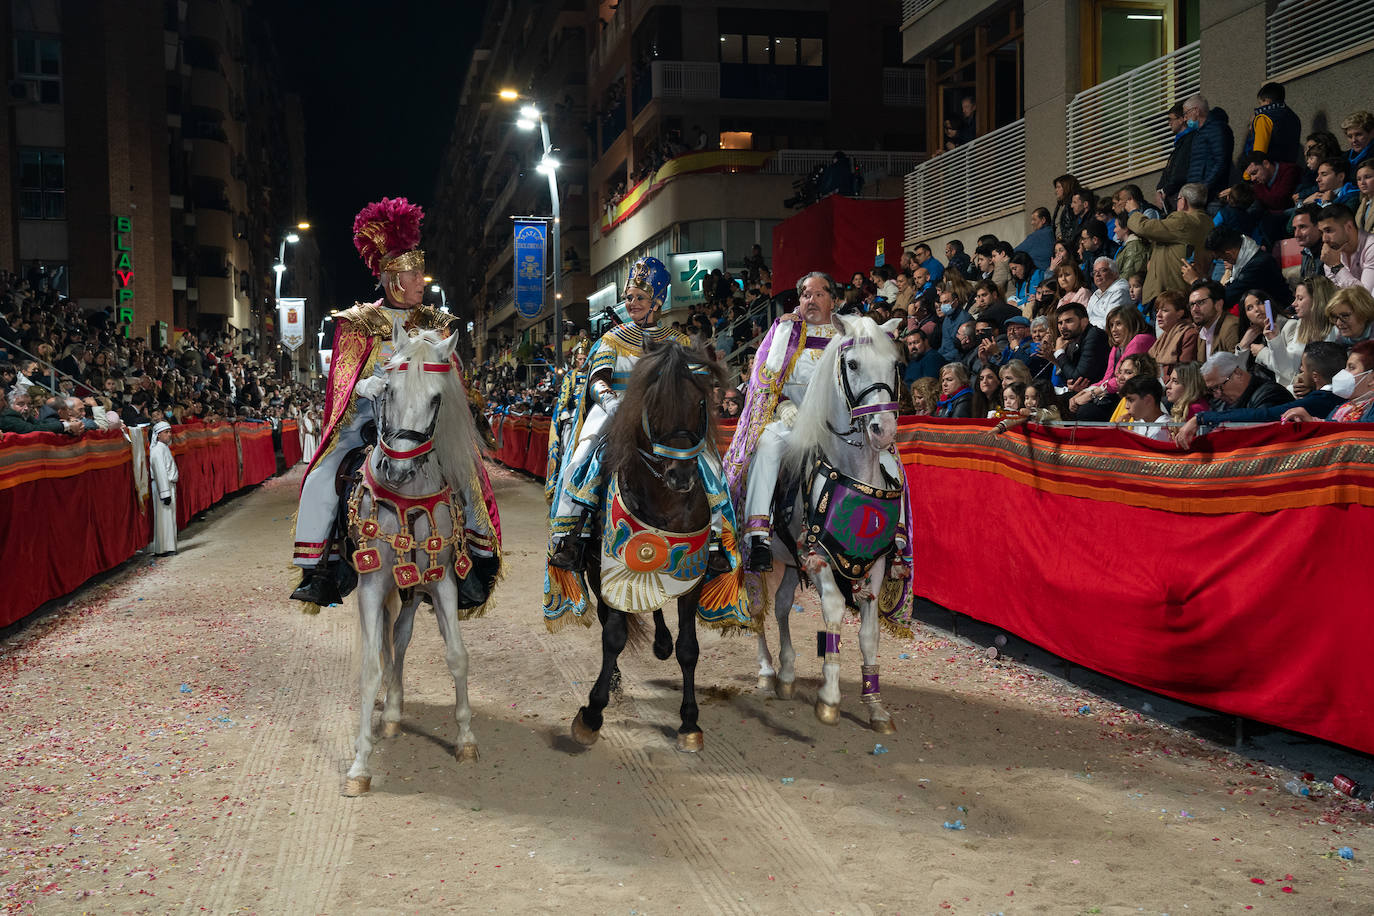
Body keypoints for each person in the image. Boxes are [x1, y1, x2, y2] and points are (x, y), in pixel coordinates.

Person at [290, 198, 482, 606]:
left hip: (423, 424)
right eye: (415, 275)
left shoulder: (438, 324)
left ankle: (474, 555)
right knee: (322, 473)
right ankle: (321, 566)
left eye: (420, 274)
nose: (421, 282)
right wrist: (363, 387)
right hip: (365, 420)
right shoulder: (356, 322)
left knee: (469, 473)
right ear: (393, 279)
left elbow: (452, 378)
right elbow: (341, 378)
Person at [549, 256, 696, 571]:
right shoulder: (612, 339)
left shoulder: (678, 341)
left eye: (640, 297)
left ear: (657, 300)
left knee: (706, 460)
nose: (632, 303)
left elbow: (693, 381)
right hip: (615, 408)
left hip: (664, 416)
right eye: (629, 297)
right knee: (584, 455)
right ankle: (574, 533)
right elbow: (596, 379)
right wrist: (610, 400)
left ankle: (717, 535)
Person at [722, 272, 852, 571]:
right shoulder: (785, 329)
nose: (811, 300)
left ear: (833, 299)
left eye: (819, 294)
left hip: (836, 422)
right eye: (806, 294)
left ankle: (891, 534)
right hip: (793, 419)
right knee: (767, 443)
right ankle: (758, 538)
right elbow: (763, 377)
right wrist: (781, 407)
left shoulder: (848, 332)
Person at [1125, 182, 1214, 305]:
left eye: (1178, 199)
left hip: (1169, 295)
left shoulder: (1183, 220)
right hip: (1185, 291)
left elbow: (1143, 227)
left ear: (1183, 201)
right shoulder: (1208, 223)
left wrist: (1133, 212)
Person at [1257, 276, 1336, 390]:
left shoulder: (1335, 331)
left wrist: (1308, 385)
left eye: (1300, 298)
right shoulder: (1301, 325)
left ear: (1316, 301)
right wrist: (1274, 339)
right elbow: (1287, 370)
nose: (1293, 304)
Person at [1283, 340, 1374, 423]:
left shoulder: (1370, 408)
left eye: (1351, 368)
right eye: (1346, 367)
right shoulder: (1345, 406)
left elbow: (1364, 430)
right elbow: (1329, 423)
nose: (1344, 372)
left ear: (1372, 378)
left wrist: (1314, 422)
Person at [1051, 302, 1109, 397]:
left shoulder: (1094, 336)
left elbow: (1078, 378)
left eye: (1069, 321)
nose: (1063, 327)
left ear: (1084, 322)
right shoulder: (1072, 340)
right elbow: (1071, 377)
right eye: (1060, 323)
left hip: (1102, 395)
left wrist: (1059, 353)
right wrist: (1070, 385)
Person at [1317, 203, 1374, 292]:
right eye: (1322, 232)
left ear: (1349, 227)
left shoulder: (1371, 246)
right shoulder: (1333, 250)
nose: (1324, 239)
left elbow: (1367, 298)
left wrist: (1336, 266)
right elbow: (1335, 296)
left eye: (1328, 230)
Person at [149, 420, 179, 556]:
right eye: (166, 432)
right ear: (158, 435)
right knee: (164, 517)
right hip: (164, 486)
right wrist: (165, 493)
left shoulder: (163, 448)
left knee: (169, 517)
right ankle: (164, 548)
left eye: (169, 432)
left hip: (168, 485)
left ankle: (168, 546)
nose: (169, 435)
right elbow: (160, 472)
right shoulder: (157, 451)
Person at [1189, 279, 1241, 359]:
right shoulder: (1203, 330)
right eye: (1192, 304)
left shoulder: (1231, 327)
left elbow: (1236, 366)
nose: (1194, 309)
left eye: (1200, 302)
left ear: (1218, 304)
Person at [1156, 103, 1193, 210]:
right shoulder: (1180, 143)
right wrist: (1159, 189)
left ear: (1182, 119)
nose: (1169, 123)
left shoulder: (1189, 141)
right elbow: (1169, 169)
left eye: (1171, 119)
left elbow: (1180, 171)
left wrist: (1165, 190)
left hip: (1179, 196)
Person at [1085, 257, 1131, 330]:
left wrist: (1087, 330)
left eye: (1103, 270)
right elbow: (1087, 317)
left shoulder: (1120, 291)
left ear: (1115, 274)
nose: (1097, 274)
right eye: (1095, 272)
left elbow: (1110, 321)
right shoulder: (1096, 294)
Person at [1120, 376, 1171, 440]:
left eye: (1131, 400)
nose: (1126, 406)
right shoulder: (1139, 422)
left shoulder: (1164, 429)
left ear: (1148, 400)